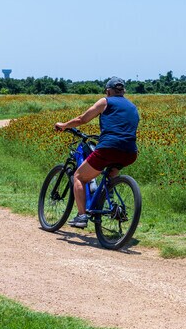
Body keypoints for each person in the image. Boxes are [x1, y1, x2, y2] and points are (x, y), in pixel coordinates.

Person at [54, 77, 139, 228]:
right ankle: (111, 205)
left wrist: (64, 125)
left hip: (108, 148)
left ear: (108, 91)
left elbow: (82, 119)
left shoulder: (105, 101)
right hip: (130, 152)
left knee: (79, 177)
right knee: (110, 177)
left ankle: (81, 216)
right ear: (123, 91)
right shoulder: (133, 107)